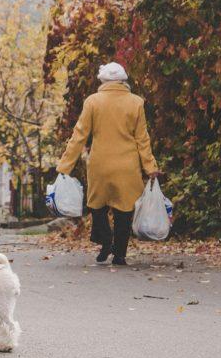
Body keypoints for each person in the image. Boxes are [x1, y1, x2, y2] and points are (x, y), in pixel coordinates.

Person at [56, 62, 162, 266]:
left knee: (97, 206)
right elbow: (142, 139)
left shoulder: (93, 102)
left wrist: (65, 166)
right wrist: (150, 167)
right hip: (127, 166)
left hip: (99, 165)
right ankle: (120, 254)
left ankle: (105, 240)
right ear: (123, 81)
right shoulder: (136, 103)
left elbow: (79, 136)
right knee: (125, 211)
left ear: (103, 81)